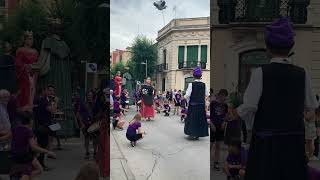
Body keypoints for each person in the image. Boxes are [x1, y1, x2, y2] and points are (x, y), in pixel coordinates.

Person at [235, 18, 318, 180]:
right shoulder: (303, 74)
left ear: (267, 47)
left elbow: (250, 107)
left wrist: (237, 114)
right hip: (293, 145)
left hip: (266, 146)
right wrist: (310, 139)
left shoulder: (260, 73)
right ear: (291, 46)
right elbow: (311, 109)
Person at [10, 111, 56, 180]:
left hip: (15, 155)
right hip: (25, 156)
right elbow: (33, 147)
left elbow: (11, 139)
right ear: (30, 121)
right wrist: (47, 152)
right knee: (38, 170)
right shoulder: (28, 131)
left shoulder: (16, 129)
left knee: (38, 168)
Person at [15, 31, 39, 111]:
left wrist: (35, 67)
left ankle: (30, 105)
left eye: (32, 39)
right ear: (25, 40)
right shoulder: (20, 50)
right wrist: (26, 67)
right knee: (25, 90)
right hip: (24, 75)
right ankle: (24, 107)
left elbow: (37, 63)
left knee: (33, 89)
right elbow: (18, 64)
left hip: (33, 74)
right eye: (29, 39)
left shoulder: (35, 52)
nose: (31, 41)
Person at [36, 85, 57, 170]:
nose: (51, 92)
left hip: (45, 125)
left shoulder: (47, 100)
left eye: (52, 91)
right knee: (42, 145)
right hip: (43, 126)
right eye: (49, 90)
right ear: (45, 91)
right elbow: (53, 110)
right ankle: (40, 164)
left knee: (44, 144)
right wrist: (56, 102)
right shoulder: (44, 101)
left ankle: (41, 163)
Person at [184, 67, 209, 140]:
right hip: (201, 105)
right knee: (199, 120)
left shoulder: (191, 84)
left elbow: (187, 95)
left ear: (193, 75)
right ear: (200, 76)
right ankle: (198, 133)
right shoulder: (204, 85)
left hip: (193, 105)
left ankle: (192, 133)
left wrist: (185, 98)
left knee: (192, 120)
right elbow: (207, 94)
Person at [211, 89, 229, 170]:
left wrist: (224, 123)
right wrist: (211, 124)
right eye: (223, 97)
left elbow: (226, 116)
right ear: (220, 95)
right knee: (210, 145)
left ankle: (216, 163)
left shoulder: (225, 106)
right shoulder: (213, 103)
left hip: (220, 128)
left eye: (225, 97)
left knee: (218, 145)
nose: (224, 99)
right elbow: (209, 114)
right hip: (213, 126)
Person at [78, 91, 98, 159]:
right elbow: (79, 114)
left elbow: (98, 114)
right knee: (86, 138)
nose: (89, 96)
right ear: (86, 96)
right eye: (88, 95)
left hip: (94, 124)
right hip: (85, 123)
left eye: (91, 95)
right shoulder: (83, 104)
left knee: (95, 139)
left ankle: (95, 152)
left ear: (93, 96)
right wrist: (81, 123)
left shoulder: (95, 104)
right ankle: (87, 152)